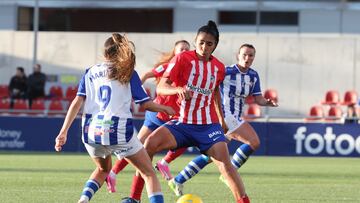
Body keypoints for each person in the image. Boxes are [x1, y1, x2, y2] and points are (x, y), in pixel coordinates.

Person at [122, 20, 250, 203]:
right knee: (149, 144)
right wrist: (178, 89)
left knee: (225, 164)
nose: (204, 47)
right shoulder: (182, 59)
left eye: (209, 43)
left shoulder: (219, 68)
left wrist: (221, 119)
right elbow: (161, 88)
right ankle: (135, 198)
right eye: (201, 42)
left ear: (215, 45)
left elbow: (215, 92)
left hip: (208, 126)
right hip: (182, 123)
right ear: (196, 41)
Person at [54, 33, 175, 203]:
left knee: (103, 169)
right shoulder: (128, 72)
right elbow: (146, 104)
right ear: (122, 53)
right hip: (117, 129)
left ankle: (83, 200)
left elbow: (76, 102)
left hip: (90, 132)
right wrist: (166, 108)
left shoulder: (90, 72)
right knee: (148, 173)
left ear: (105, 54)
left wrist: (63, 132)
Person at [168, 44, 278, 192]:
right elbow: (209, 85)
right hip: (225, 116)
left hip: (235, 117)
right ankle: (229, 173)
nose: (247, 58)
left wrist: (267, 103)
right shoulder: (226, 71)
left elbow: (258, 98)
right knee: (254, 142)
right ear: (238, 56)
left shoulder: (253, 75)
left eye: (251, 55)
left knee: (211, 155)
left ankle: (178, 180)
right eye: (244, 54)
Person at [105, 40, 190, 195]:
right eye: (181, 49)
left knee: (188, 139)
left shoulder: (191, 70)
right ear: (175, 52)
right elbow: (145, 75)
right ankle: (113, 173)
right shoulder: (168, 66)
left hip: (173, 115)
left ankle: (164, 162)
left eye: (187, 49)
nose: (184, 52)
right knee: (137, 147)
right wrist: (138, 92)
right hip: (158, 113)